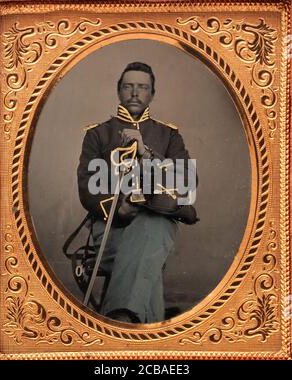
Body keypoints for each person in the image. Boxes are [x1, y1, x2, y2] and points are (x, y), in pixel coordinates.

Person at [77, 62, 197, 324]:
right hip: (111, 231)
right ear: (118, 90)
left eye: (142, 87)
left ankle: (119, 318)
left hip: (155, 223)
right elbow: (87, 188)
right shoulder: (97, 134)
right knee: (148, 256)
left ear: (152, 93)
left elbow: (186, 183)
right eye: (128, 86)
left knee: (152, 225)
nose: (134, 93)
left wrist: (147, 154)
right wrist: (119, 209)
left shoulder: (169, 135)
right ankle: (148, 327)